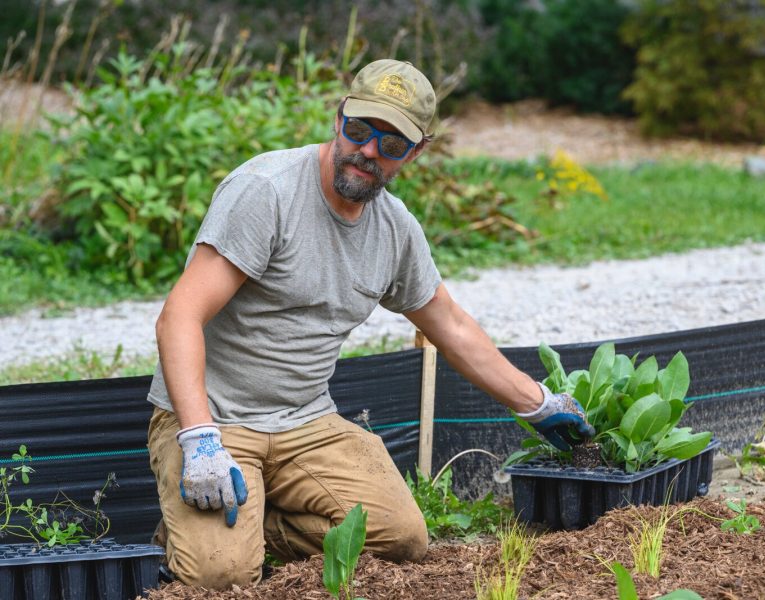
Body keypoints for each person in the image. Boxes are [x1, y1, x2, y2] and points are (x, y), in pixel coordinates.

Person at [146, 58, 593, 589]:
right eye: (359, 131)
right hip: (214, 420)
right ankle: (208, 539)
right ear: (339, 117)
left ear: (417, 151)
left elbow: (447, 322)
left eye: (392, 144)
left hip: (306, 422)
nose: (368, 152)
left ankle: (251, 523)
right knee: (221, 577)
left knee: (402, 539)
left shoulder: (395, 230)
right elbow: (180, 316)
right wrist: (199, 438)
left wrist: (536, 402)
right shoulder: (266, 192)